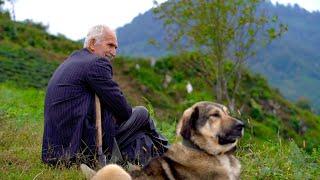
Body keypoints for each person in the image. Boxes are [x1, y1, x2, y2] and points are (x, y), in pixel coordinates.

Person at [41, 25, 169, 167]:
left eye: (116, 48)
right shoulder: (96, 63)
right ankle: (168, 152)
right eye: (110, 45)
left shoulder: (71, 62)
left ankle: (156, 154)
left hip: (56, 151)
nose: (113, 53)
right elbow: (123, 110)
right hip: (81, 145)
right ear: (92, 44)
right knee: (142, 113)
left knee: (140, 137)